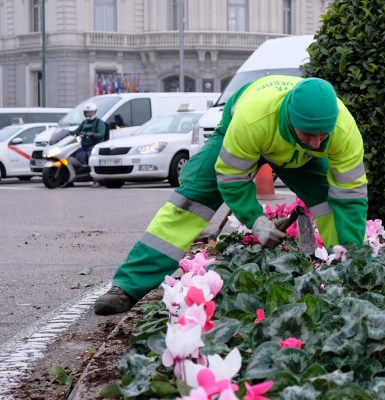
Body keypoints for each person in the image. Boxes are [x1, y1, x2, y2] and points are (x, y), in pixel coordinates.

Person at [93, 75, 368, 315]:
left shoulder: (343, 130)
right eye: (309, 134)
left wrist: (354, 257)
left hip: (297, 155)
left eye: (324, 135)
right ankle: (128, 286)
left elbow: (351, 197)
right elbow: (232, 176)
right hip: (247, 127)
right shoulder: (253, 120)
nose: (317, 142)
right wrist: (256, 219)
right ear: (290, 119)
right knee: (192, 200)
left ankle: (344, 273)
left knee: (330, 201)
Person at [72, 103, 107, 187]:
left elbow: (101, 134)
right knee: (72, 157)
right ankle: (71, 177)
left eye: (90, 112)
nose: (88, 114)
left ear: (95, 112)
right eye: (87, 112)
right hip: (83, 146)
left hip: (93, 147)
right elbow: (76, 131)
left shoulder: (99, 123)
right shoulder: (84, 122)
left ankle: (96, 180)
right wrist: (66, 133)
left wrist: (92, 134)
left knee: (91, 161)